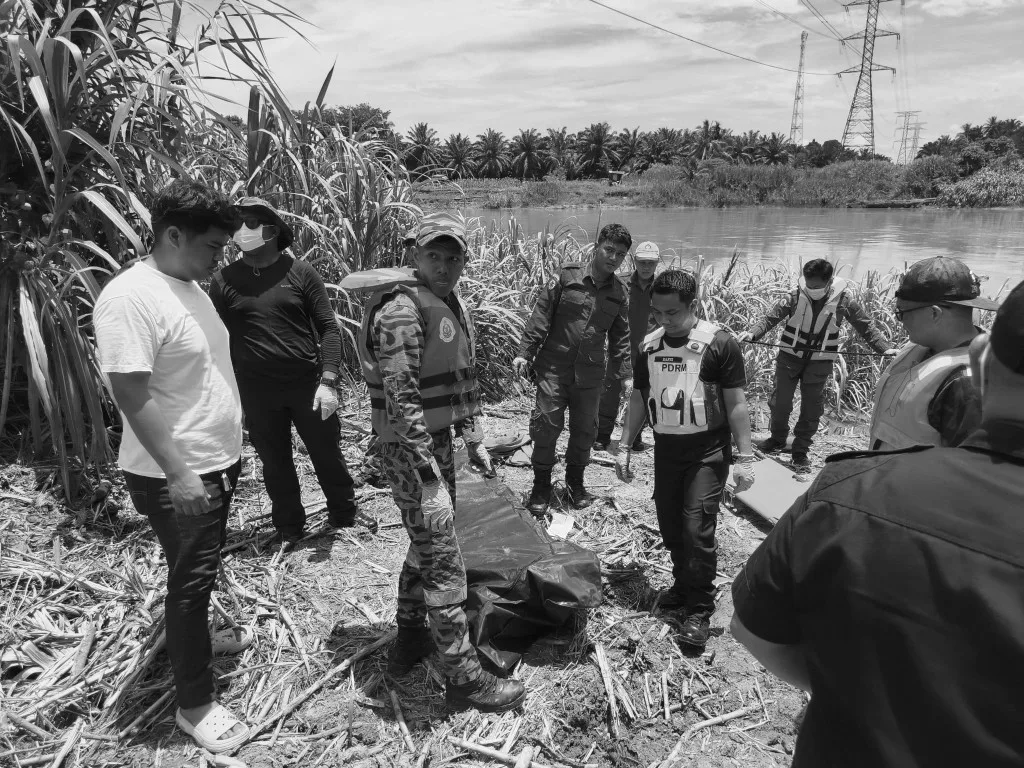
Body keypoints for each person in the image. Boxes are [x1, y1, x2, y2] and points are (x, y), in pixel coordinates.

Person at [730, 277, 1024, 767]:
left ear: (981, 361)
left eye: (907, 312)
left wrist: (859, 694)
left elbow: (755, 630)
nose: (902, 322)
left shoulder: (843, 494)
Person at [93, 180, 251, 753]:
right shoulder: (131, 297)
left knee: (196, 571)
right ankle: (195, 705)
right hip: (176, 473)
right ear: (173, 234)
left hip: (213, 459)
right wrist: (182, 473)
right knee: (191, 582)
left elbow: (198, 372)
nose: (220, 257)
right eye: (212, 245)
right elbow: (131, 395)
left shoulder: (188, 284)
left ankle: (200, 639)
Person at [356, 211, 525, 712]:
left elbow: (457, 380)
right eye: (435, 255)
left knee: (424, 545)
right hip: (412, 453)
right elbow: (403, 398)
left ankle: (410, 638)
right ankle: (464, 677)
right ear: (415, 255)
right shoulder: (401, 313)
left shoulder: (445, 302)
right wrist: (428, 478)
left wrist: (474, 437)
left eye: (454, 257)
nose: (445, 266)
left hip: (436, 444)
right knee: (445, 560)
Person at [209, 197, 370, 544]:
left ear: (272, 230)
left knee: (326, 452)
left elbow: (328, 328)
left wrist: (329, 380)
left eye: (250, 223)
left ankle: (343, 515)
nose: (241, 231)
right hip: (256, 391)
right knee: (275, 461)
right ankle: (288, 526)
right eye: (238, 224)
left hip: (307, 385)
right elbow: (217, 339)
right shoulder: (224, 280)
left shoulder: (300, 273)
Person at [615, 270, 756, 649]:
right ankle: (681, 585)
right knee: (671, 524)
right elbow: (639, 397)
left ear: (692, 305)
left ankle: (698, 610)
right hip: (667, 450)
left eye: (672, 313)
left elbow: (736, 403)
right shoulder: (649, 346)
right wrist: (625, 444)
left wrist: (745, 458)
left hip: (708, 450)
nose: (663, 320)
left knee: (696, 527)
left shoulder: (720, 344)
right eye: (656, 313)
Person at [513, 224, 632, 515]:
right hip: (554, 368)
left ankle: (575, 484)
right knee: (545, 427)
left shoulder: (619, 292)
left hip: (590, 376)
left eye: (620, 254)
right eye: (609, 250)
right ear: (596, 246)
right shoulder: (567, 276)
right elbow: (541, 314)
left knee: (584, 433)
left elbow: (622, 337)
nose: (613, 258)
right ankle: (541, 485)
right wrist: (524, 353)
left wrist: (626, 374)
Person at [736, 259, 896, 468]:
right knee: (779, 403)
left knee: (812, 409)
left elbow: (867, 328)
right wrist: (752, 333)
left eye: (817, 287)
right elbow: (769, 319)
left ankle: (800, 451)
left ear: (829, 282)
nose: (811, 290)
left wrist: (885, 349)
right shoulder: (794, 296)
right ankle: (777, 439)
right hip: (789, 359)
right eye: (808, 286)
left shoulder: (845, 301)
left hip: (819, 363)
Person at [868, 256, 993, 450]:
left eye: (901, 313)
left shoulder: (968, 384)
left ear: (934, 313)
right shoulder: (920, 348)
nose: (900, 322)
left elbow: (971, 470)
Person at [594, 240, 660, 453]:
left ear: (658, 263)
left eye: (651, 262)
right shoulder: (620, 284)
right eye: (642, 262)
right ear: (634, 260)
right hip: (620, 349)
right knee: (609, 395)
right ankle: (602, 436)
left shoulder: (663, 288)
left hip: (648, 354)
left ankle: (635, 437)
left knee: (642, 396)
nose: (646, 267)